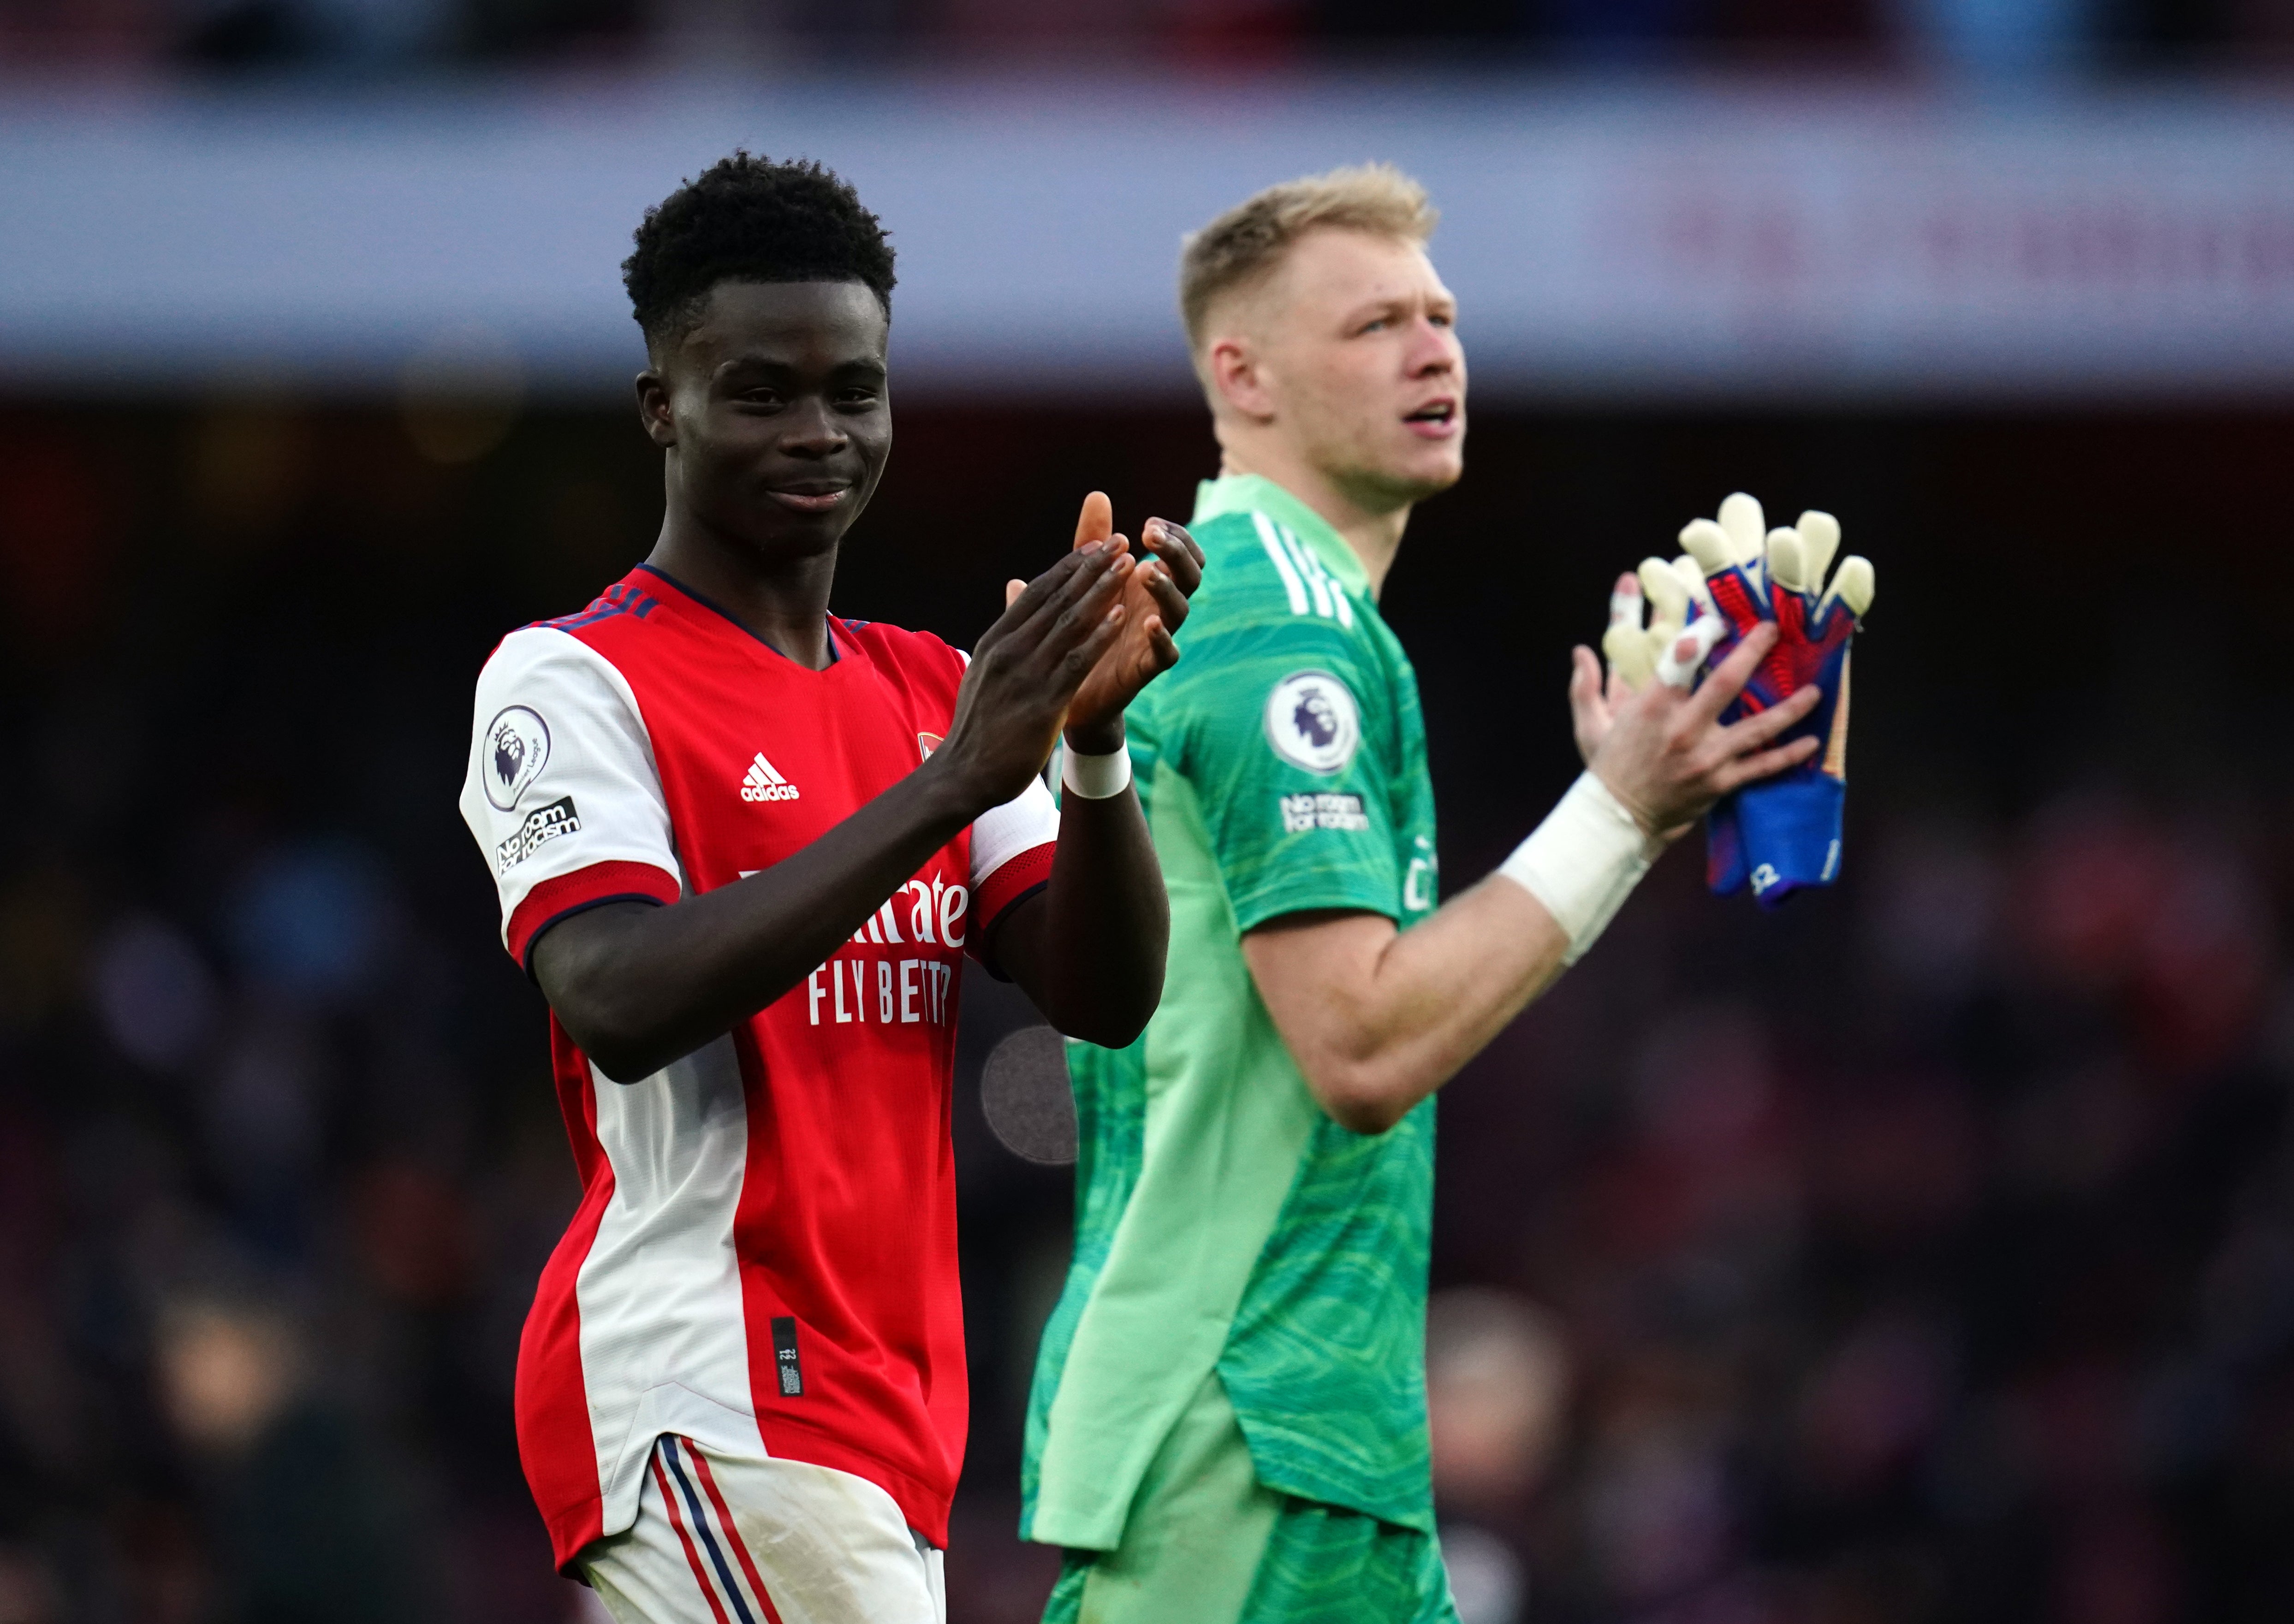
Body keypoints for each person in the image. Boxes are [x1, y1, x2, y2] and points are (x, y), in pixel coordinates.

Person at [1019, 164, 1821, 1623]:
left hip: (1308, 1434)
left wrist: (1634, 803)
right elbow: (1361, 1046)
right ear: (1240, 374)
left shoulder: (1301, 616)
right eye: (1376, 322)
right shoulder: (1279, 630)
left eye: (1441, 316)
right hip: (1245, 1432)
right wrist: (1622, 809)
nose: (1433, 348)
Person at [458, 152, 1202, 1624]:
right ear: (660, 406)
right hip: (711, 1382)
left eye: (853, 391)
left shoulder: (932, 687)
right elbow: (614, 995)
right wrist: (949, 785)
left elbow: (1107, 998)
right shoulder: (573, 677)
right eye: (761, 391)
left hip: (885, 1418)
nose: (820, 432)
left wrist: (1097, 749)